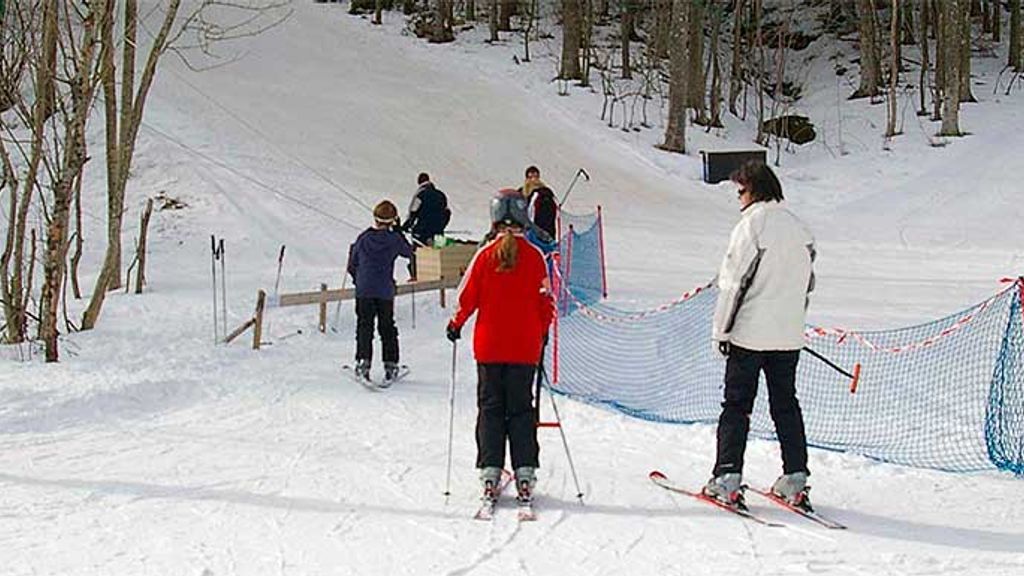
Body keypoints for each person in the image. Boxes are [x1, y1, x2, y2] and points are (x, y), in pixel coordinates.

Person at [705, 160, 817, 511]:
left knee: (737, 407)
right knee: (786, 405)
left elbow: (733, 284)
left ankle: (727, 477)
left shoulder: (751, 226)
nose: (738, 198)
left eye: (740, 190)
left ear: (754, 189)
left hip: (750, 335)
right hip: (788, 336)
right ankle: (795, 479)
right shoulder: (800, 229)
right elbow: (808, 284)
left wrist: (721, 330)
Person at [446, 192, 554, 508]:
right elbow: (546, 301)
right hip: (524, 347)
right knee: (522, 410)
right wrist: (542, 331)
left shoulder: (484, 256)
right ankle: (524, 472)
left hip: (490, 347)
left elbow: (467, 297)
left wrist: (456, 324)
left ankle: (490, 472)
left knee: (491, 409)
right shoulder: (535, 258)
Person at [347, 200, 413, 385]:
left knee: (364, 326)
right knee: (387, 327)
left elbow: (352, 263)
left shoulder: (363, 238)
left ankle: (363, 362)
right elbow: (409, 252)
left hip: (364, 289)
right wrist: (399, 231)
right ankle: (390, 364)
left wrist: (358, 279)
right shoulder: (394, 239)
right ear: (393, 220)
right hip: (384, 290)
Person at [402, 173, 451, 281]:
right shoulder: (441, 195)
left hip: (422, 231)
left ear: (419, 182)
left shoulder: (420, 195)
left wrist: (406, 226)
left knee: (416, 252)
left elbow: (413, 212)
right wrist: (442, 226)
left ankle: (415, 274)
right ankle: (442, 273)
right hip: (439, 231)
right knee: (440, 251)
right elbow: (447, 212)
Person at [519, 165, 558, 241]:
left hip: (543, 230)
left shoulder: (545, 193)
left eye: (535, 177)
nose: (533, 180)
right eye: (530, 177)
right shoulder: (521, 193)